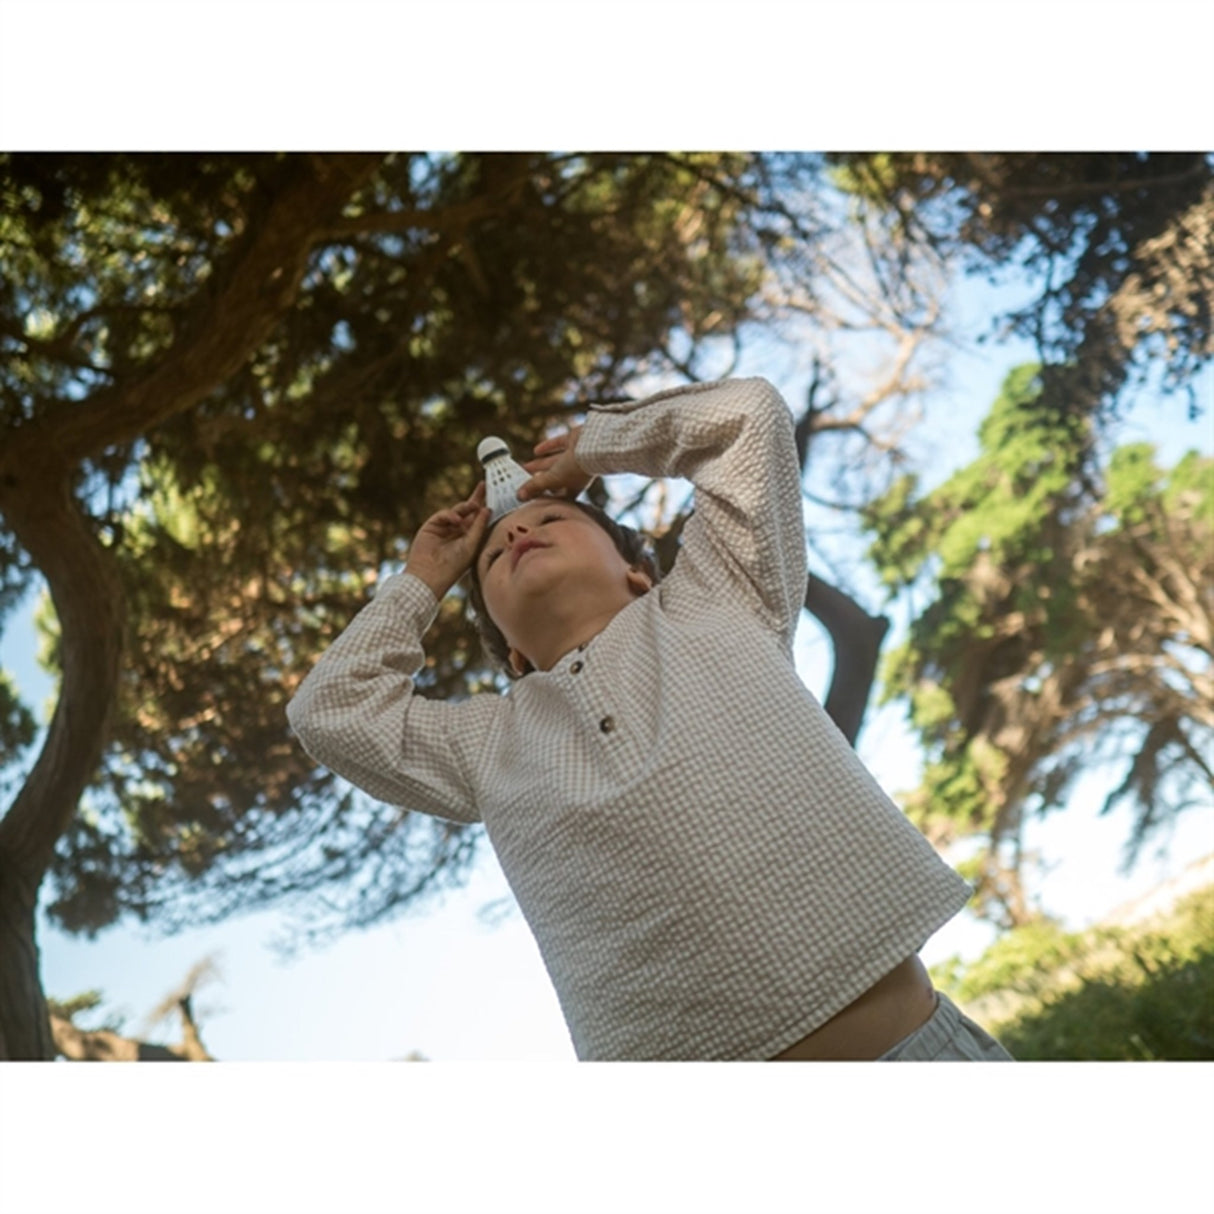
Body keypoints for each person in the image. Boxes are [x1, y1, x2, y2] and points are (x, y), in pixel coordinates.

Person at [287, 377, 1013, 1061]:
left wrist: (596, 448)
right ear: (511, 652)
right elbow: (328, 710)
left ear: (637, 571)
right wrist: (424, 579)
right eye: (491, 558)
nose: (516, 534)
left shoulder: (718, 595)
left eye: (551, 518)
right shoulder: (486, 746)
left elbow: (748, 418)